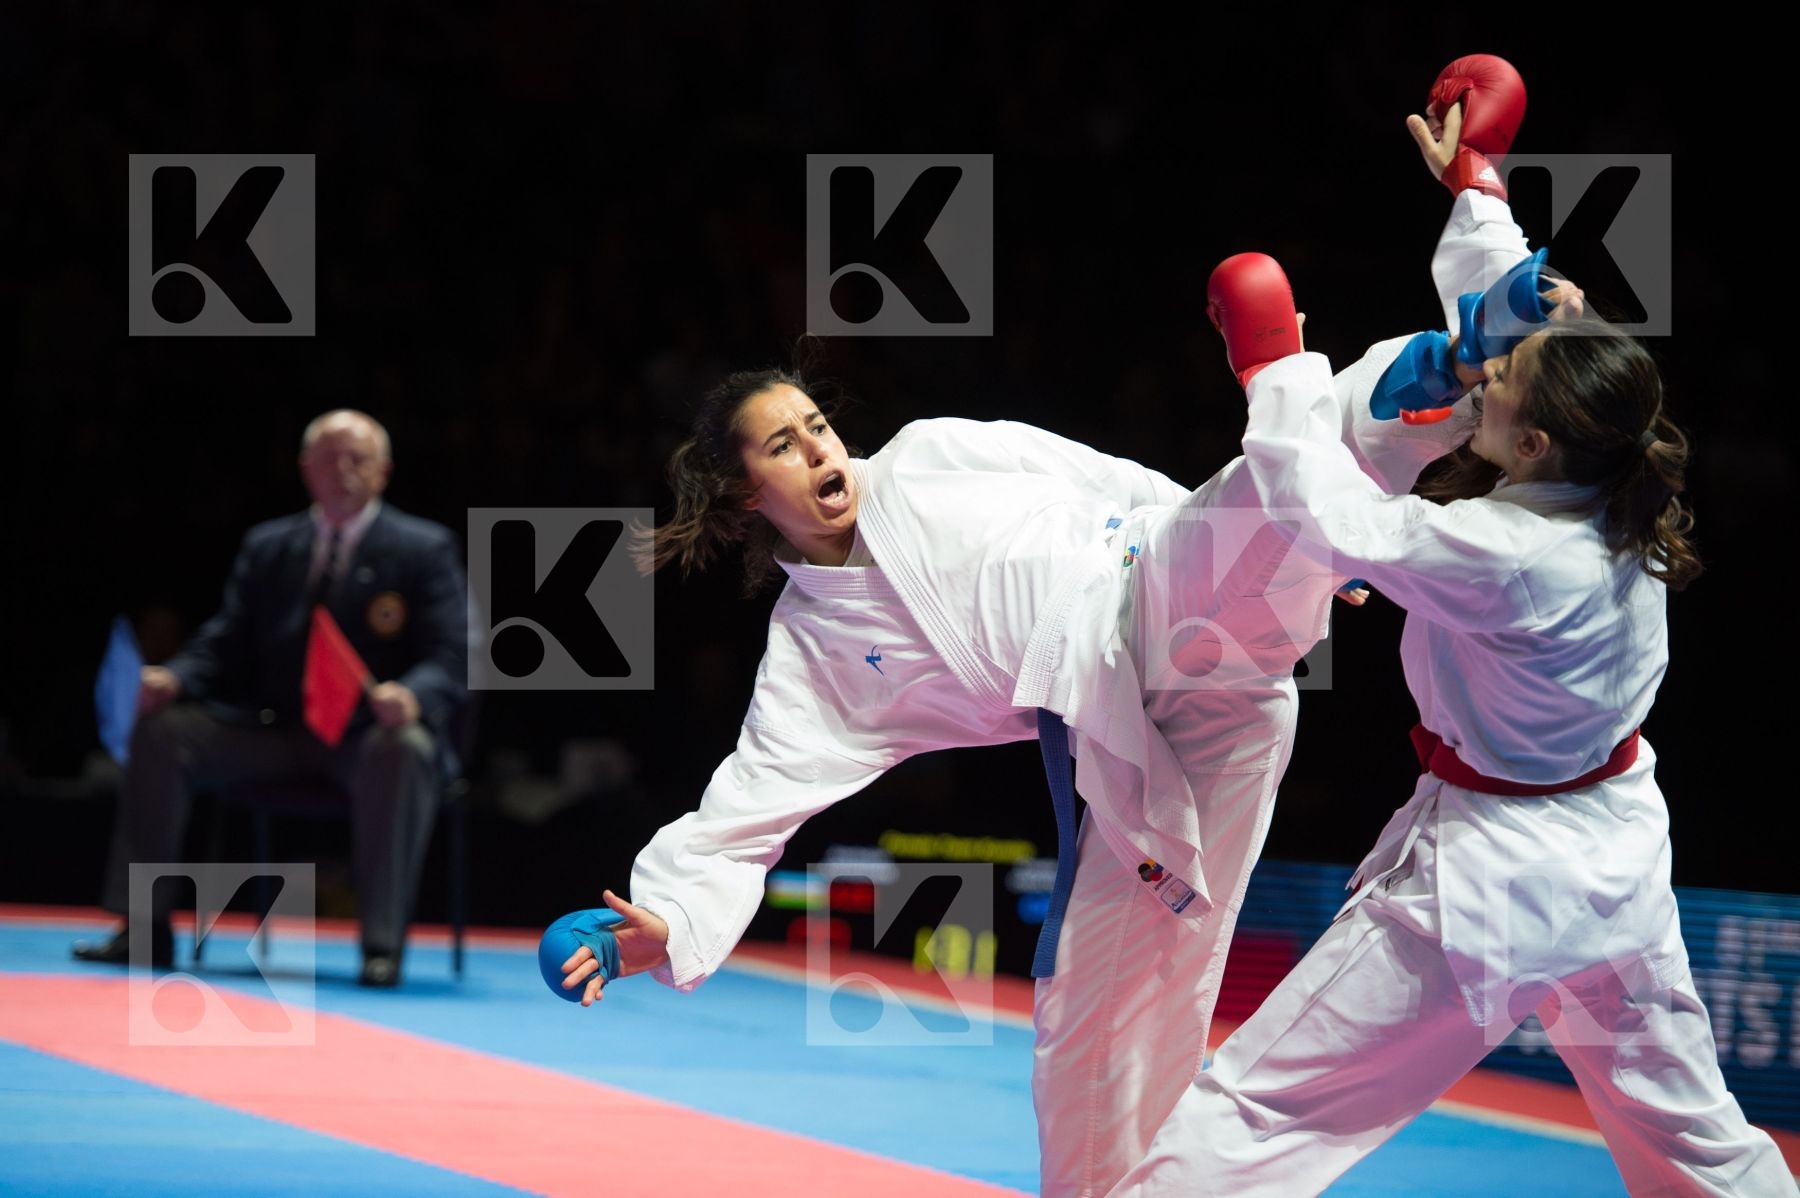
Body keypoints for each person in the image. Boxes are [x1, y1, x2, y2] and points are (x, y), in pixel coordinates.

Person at [546, 140, 1532, 1186]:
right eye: (783, 446)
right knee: (1091, 1027)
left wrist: (1296, 534)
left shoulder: (930, 451)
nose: (820, 448)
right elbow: (750, 803)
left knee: (1238, 514)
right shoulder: (815, 655)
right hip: (1132, 747)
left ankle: (1432, 363)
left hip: (1153, 592)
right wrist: (664, 919)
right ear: (747, 497)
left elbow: (1111, 479)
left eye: (818, 424)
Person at [1105, 119, 1797, 1198]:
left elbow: (1314, 507)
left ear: (1529, 445)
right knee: (1697, 1146)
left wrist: (1277, 364)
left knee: (1264, 1108)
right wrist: (1478, 186)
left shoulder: (1506, 552)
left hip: (1483, 893)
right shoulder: (1609, 482)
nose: (1483, 371)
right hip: (1611, 867)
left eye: (1502, 383)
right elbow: (1520, 326)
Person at [73, 409, 470, 988]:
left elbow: (454, 654)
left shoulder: (423, 548)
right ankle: (143, 929)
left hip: (364, 738)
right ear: (306, 469)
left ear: (383, 472)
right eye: (330, 459)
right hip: (273, 731)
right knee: (162, 731)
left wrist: (409, 695)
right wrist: (176, 678)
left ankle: (381, 944)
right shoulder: (269, 546)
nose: (344, 472)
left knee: (404, 748)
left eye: (358, 459)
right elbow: (225, 640)